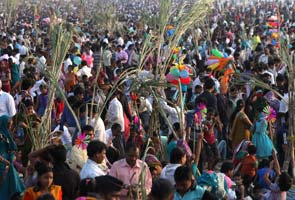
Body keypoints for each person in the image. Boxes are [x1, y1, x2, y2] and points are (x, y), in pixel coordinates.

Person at [0, 115, 25, 199]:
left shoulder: (7, 134)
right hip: (3, 163)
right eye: (8, 125)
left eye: (10, 124)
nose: (10, 127)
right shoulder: (1, 136)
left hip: (8, 161)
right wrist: (5, 161)